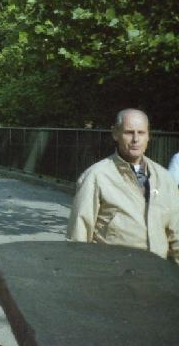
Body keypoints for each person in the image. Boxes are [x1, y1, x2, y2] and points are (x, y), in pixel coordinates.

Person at [67, 108, 179, 262]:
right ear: (115, 133)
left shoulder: (164, 178)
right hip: (112, 274)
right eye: (128, 132)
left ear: (148, 136)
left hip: (157, 275)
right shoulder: (96, 176)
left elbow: (176, 233)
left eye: (141, 132)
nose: (135, 139)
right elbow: (79, 234)